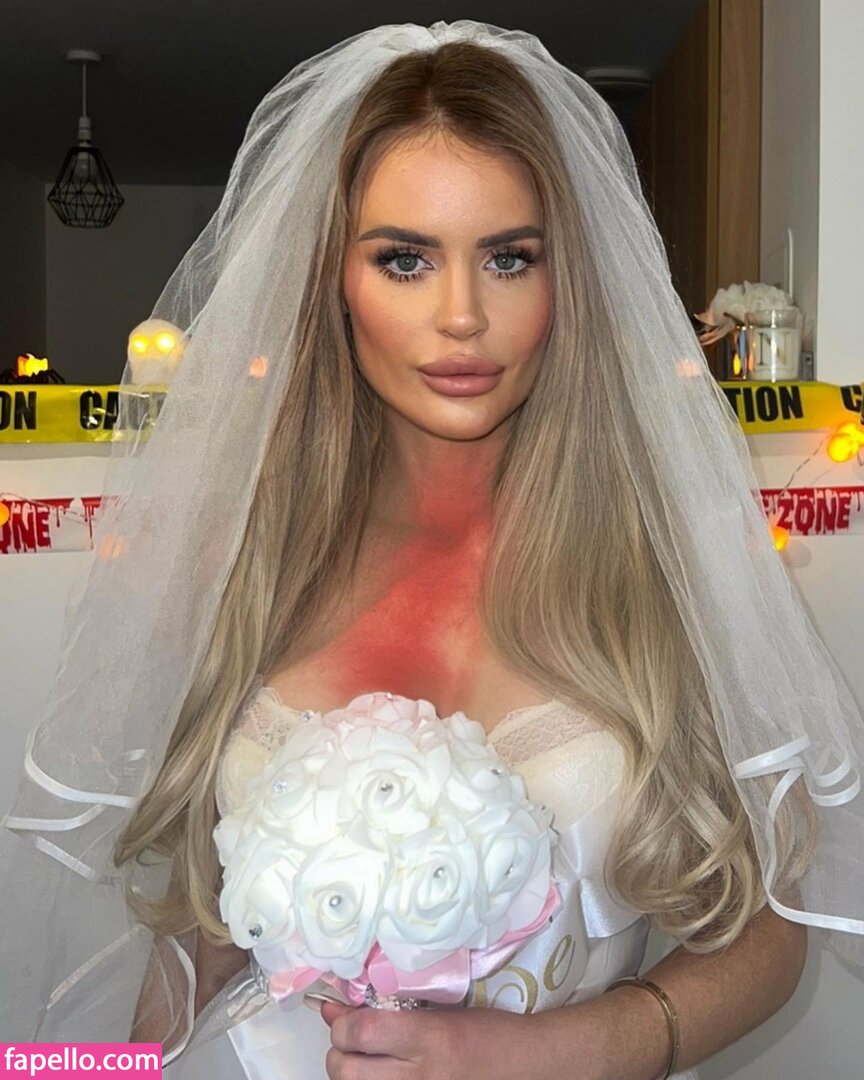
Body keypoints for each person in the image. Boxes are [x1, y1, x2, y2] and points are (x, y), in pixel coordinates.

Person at [2, 20, 863, 1080]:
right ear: (333, 281)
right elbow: (208, 935)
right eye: (404, 260)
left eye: (509, 258)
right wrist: (108, 1065)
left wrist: (568, 1049)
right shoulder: (252, 559)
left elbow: (772, 929)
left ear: (567, 281)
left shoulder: (662, 564)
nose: (462, 316)